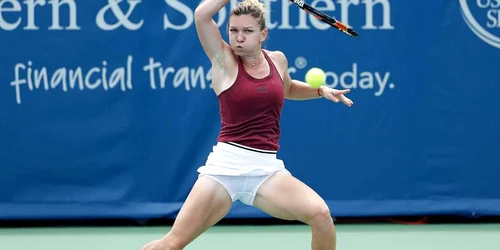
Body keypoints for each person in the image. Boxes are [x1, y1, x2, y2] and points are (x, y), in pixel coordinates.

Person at [141, 0, 353, 249]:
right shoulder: (223, 60)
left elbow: (288, 88)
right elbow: (201, 15)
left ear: (263, 34)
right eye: (233, 30)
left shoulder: (277, 60)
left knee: (320, 215)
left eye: (248, 31)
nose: (238, 38)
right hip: (225, 169)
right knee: (172, 243)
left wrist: (319, 90)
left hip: (266, 170)